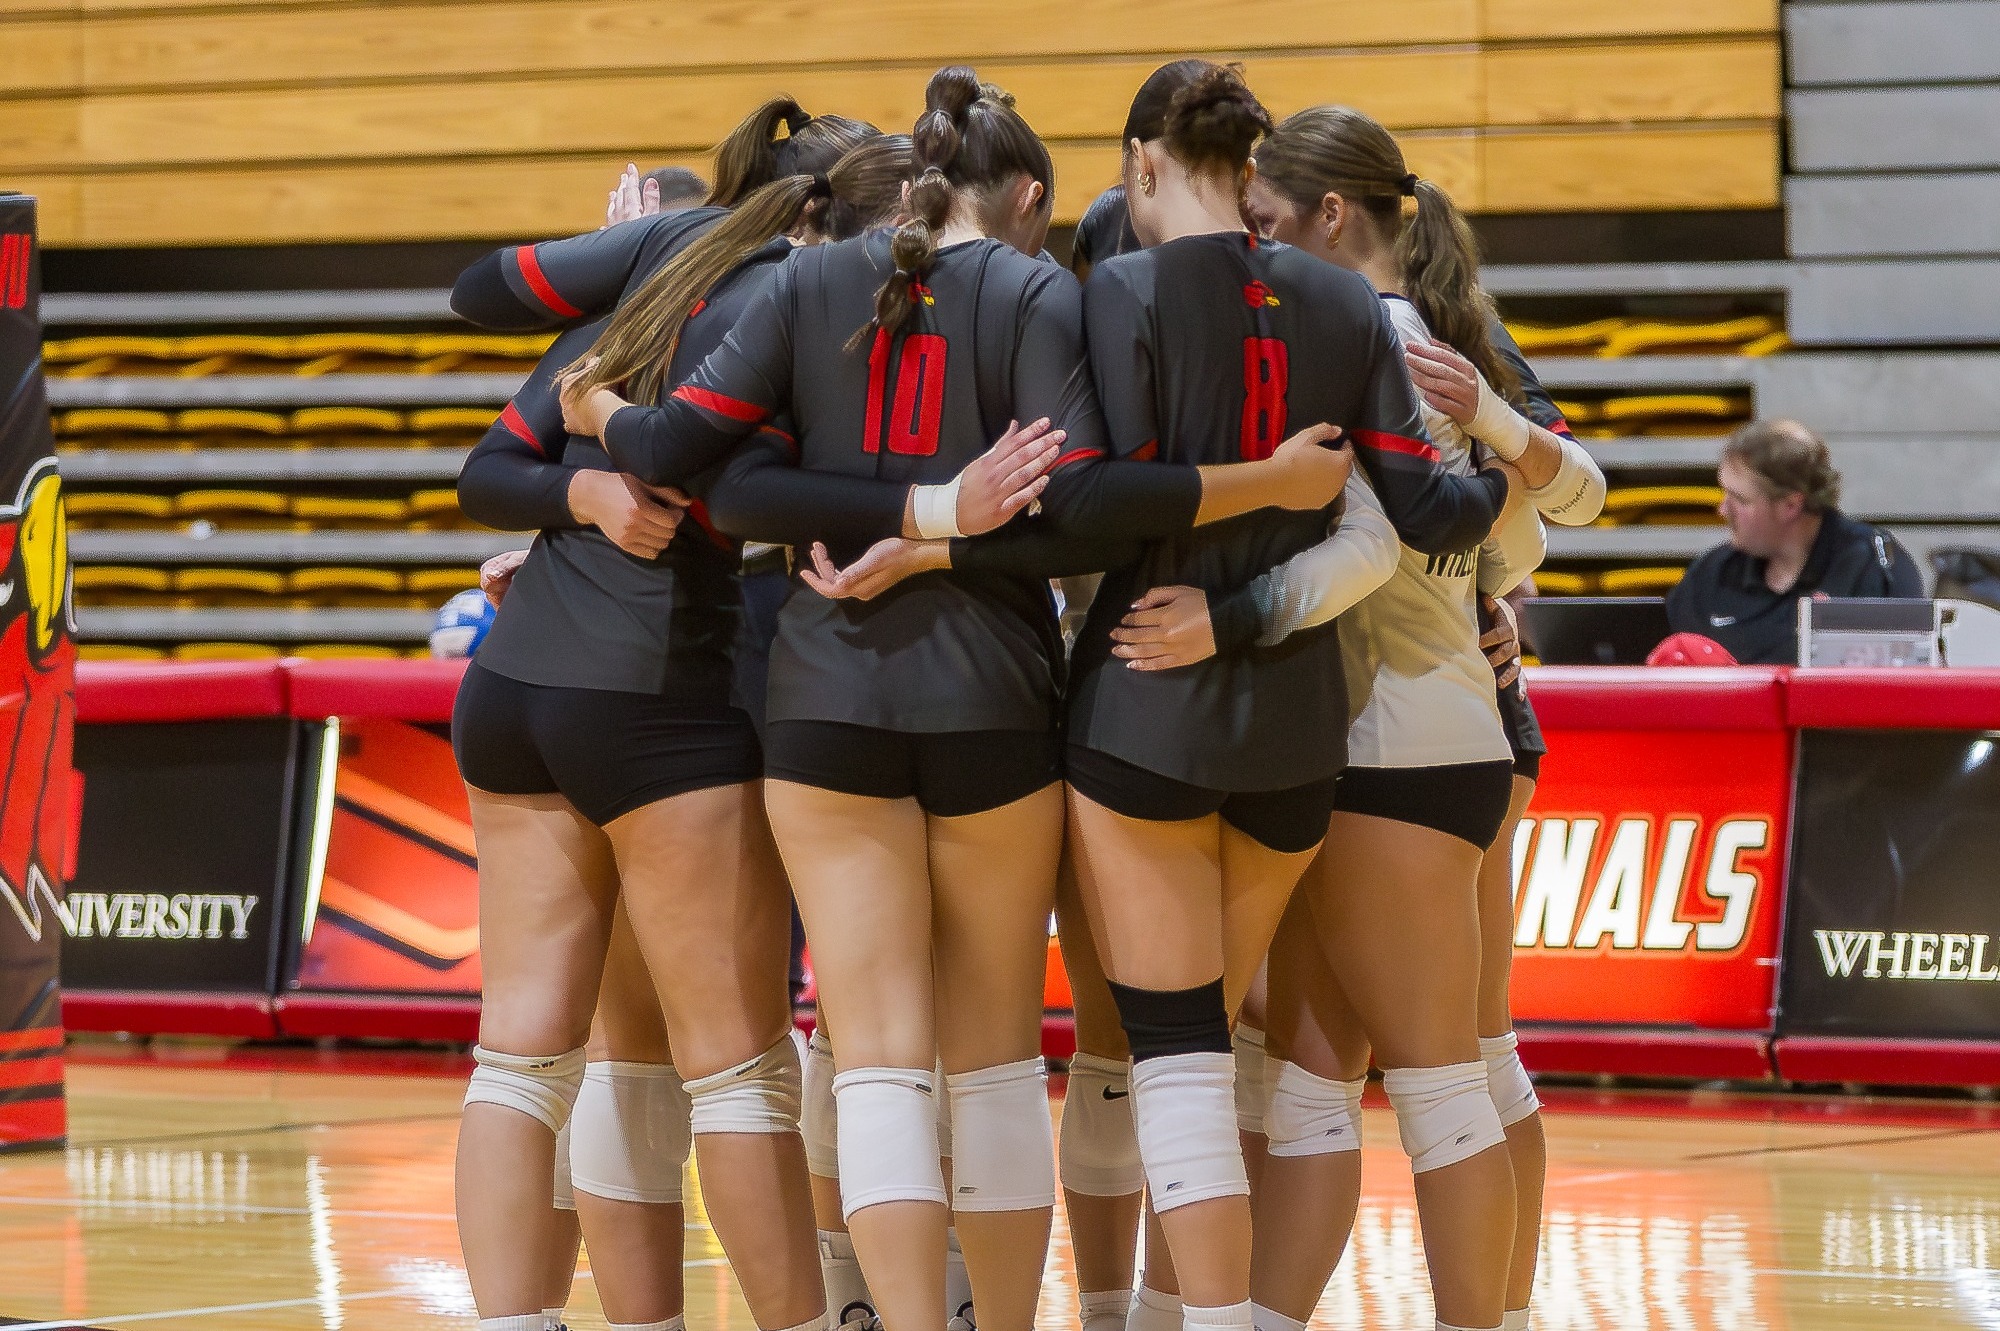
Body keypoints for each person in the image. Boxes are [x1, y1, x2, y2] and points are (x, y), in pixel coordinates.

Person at [451, 144, 909, 1331]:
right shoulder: (806, 307)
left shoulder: (656, 269)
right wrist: (606, 484)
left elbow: (490, 460)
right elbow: (736, 494)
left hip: (510, 693)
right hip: (655, 699)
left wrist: (575, 490)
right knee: (736, 1067)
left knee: (524, 1056)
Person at [1170, 102, 1600, 1331]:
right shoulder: (1432, 338)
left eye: (1262, 223)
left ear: (1329, 216)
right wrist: (1479, 593)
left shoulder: (1366, 336)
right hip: (1421, 734)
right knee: (1317, 1087)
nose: (1249, 247)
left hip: (1390, 749)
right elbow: (1518, 524)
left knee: (1440, 1087)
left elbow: (1388, 543)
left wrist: (1231, 617)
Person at [1666, 418, 1922, 664]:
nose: (1723, 510)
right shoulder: (1711, 574)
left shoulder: (1872, 570)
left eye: (1740, 500)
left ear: (1790, 505)